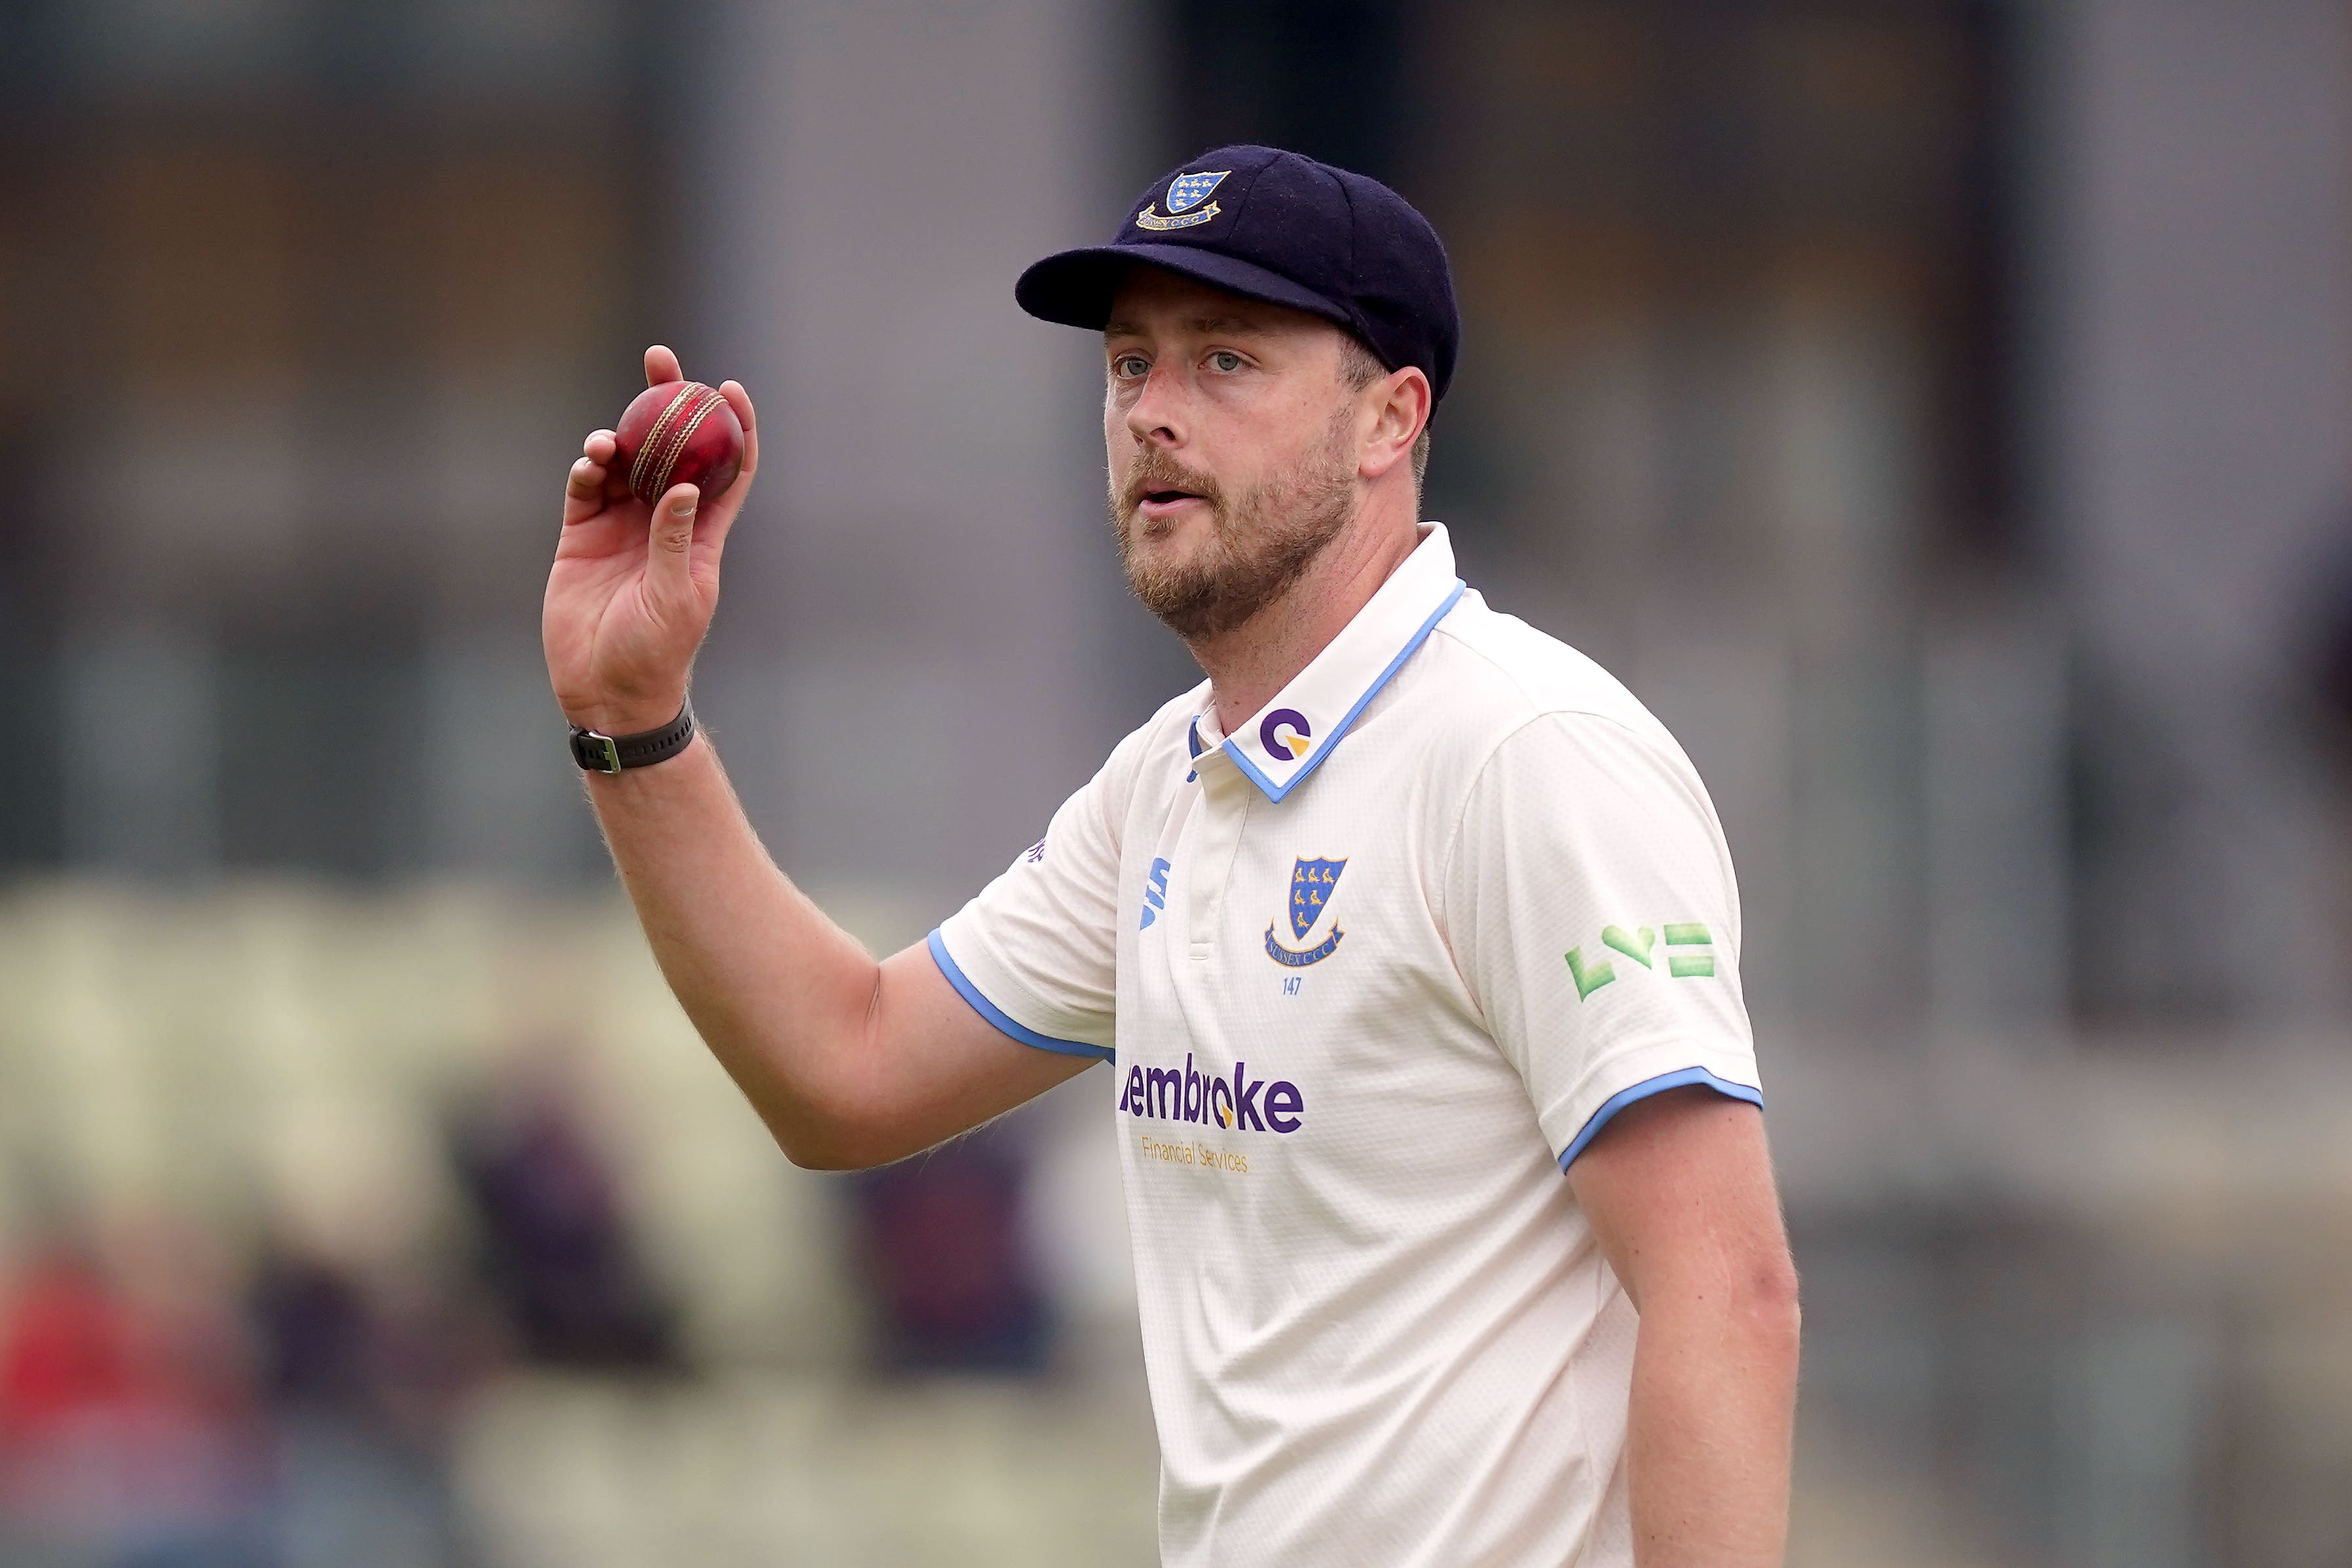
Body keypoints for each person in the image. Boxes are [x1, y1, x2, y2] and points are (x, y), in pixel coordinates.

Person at [543, 144, 1799, 1567]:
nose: (1150, 413)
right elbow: (848, 1069)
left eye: (1225, 363)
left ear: (1390, 418)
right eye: (1130, 365)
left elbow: (1725, 1291)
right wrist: (627, 715)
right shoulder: (1166, 783)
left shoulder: (1524, 753)